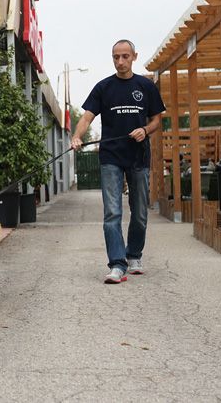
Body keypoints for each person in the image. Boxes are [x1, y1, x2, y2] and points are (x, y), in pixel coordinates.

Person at [71, 39, 166, 284]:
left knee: (140, 212)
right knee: (112, 212)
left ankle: (134, 255)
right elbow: (87, 117)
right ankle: (117, 264)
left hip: (138, 156)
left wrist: (145, 130)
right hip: (110, 157)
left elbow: (157, 120)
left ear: (134, 56)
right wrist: (77, 136)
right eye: (116, 57)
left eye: (125, 56)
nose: (120, 61)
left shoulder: (145, 86)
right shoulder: (103, 87)